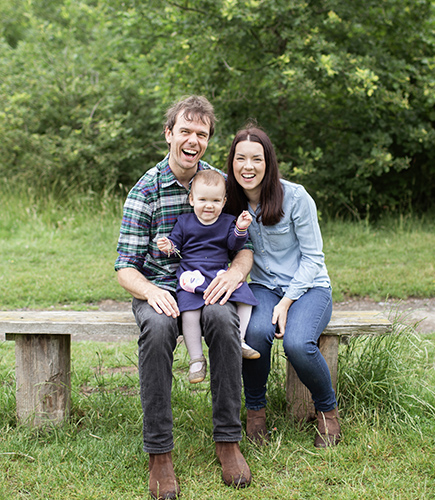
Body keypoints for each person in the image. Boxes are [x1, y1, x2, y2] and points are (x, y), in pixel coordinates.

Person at [115, 96, 252, 499]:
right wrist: (152, 291)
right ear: (169, 134)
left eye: (202, 134)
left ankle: (228, 440)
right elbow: (124, 265)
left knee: (224, 321)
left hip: (208, 285)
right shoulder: (146, 190)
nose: (193, 140)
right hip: (159, 290)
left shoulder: (217, 183)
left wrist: (233, 273)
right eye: (186, 131)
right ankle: (160, 453)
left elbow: (243, 245)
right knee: (157, 330)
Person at [223, 125, 340, 448]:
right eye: (241, 158)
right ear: (232, 162)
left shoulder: (296, 197)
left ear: (268, 162)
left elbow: (314, 257)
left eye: (257, 159)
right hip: (262, 286)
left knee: (298, 344)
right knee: (255, 334)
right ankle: (256, 411)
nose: (249, 167)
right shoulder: (230, 202)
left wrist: (286, 301)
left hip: (309, 287)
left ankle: (327, 411)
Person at [157, 169, 260, 384]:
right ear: (192, 199)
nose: (209, 205)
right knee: (189, 313)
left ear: (224, 202)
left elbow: (234, 245)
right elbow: (176, 246)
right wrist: (168, 246)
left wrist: (240, 229)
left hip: (219, 273)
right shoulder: (185, 222)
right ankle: (196, 359)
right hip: (192, 275)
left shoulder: (227, 221)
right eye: (203, 199)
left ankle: (239, 339)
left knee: (245, 297)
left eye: (215, 200)